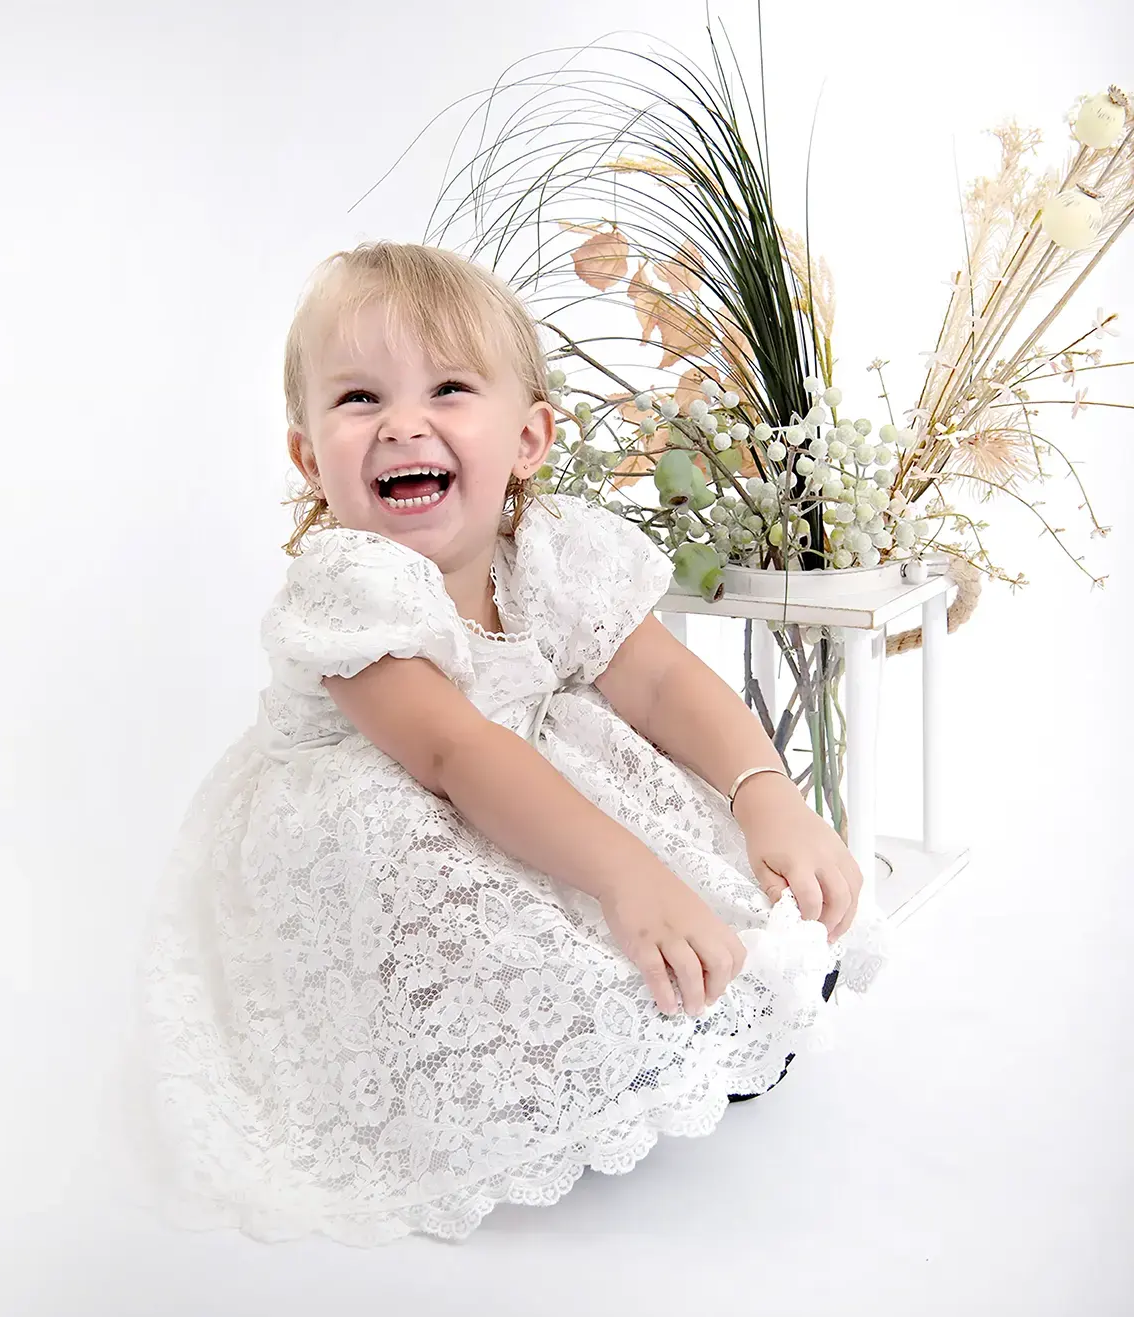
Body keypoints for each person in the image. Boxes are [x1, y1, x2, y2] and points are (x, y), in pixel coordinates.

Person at [139, 241, 890, 1245]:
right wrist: (624, 876)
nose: (403, 423)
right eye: (358, 400)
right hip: (398, 814)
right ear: (309, 458)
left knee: (644, 804)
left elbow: (660, 679)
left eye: (447, 390)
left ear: (528, 437)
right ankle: (520, 1065)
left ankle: (730, 982)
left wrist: (765, 791)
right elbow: (453, 757)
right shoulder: (350, 589)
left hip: (531, 794)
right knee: (436, 872)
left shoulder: (547, 554)